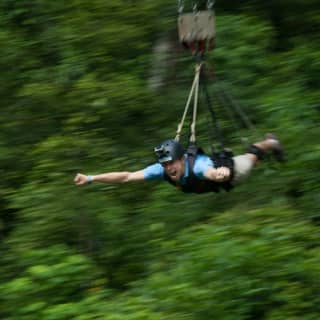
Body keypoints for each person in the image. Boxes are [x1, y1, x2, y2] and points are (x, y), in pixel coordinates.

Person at [74, 134, 284, 194]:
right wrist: (91, 178)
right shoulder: (161, 170)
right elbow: (126, 177)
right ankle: (267, 145)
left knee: (251, 158)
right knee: (252, 157)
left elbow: (209, 172)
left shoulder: (199, 165)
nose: (168, 168)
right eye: (164, 164)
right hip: (216, 181)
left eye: (170, 163)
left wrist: (218, 174)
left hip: (232, 172)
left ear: (181, 159)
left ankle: (271, 142)